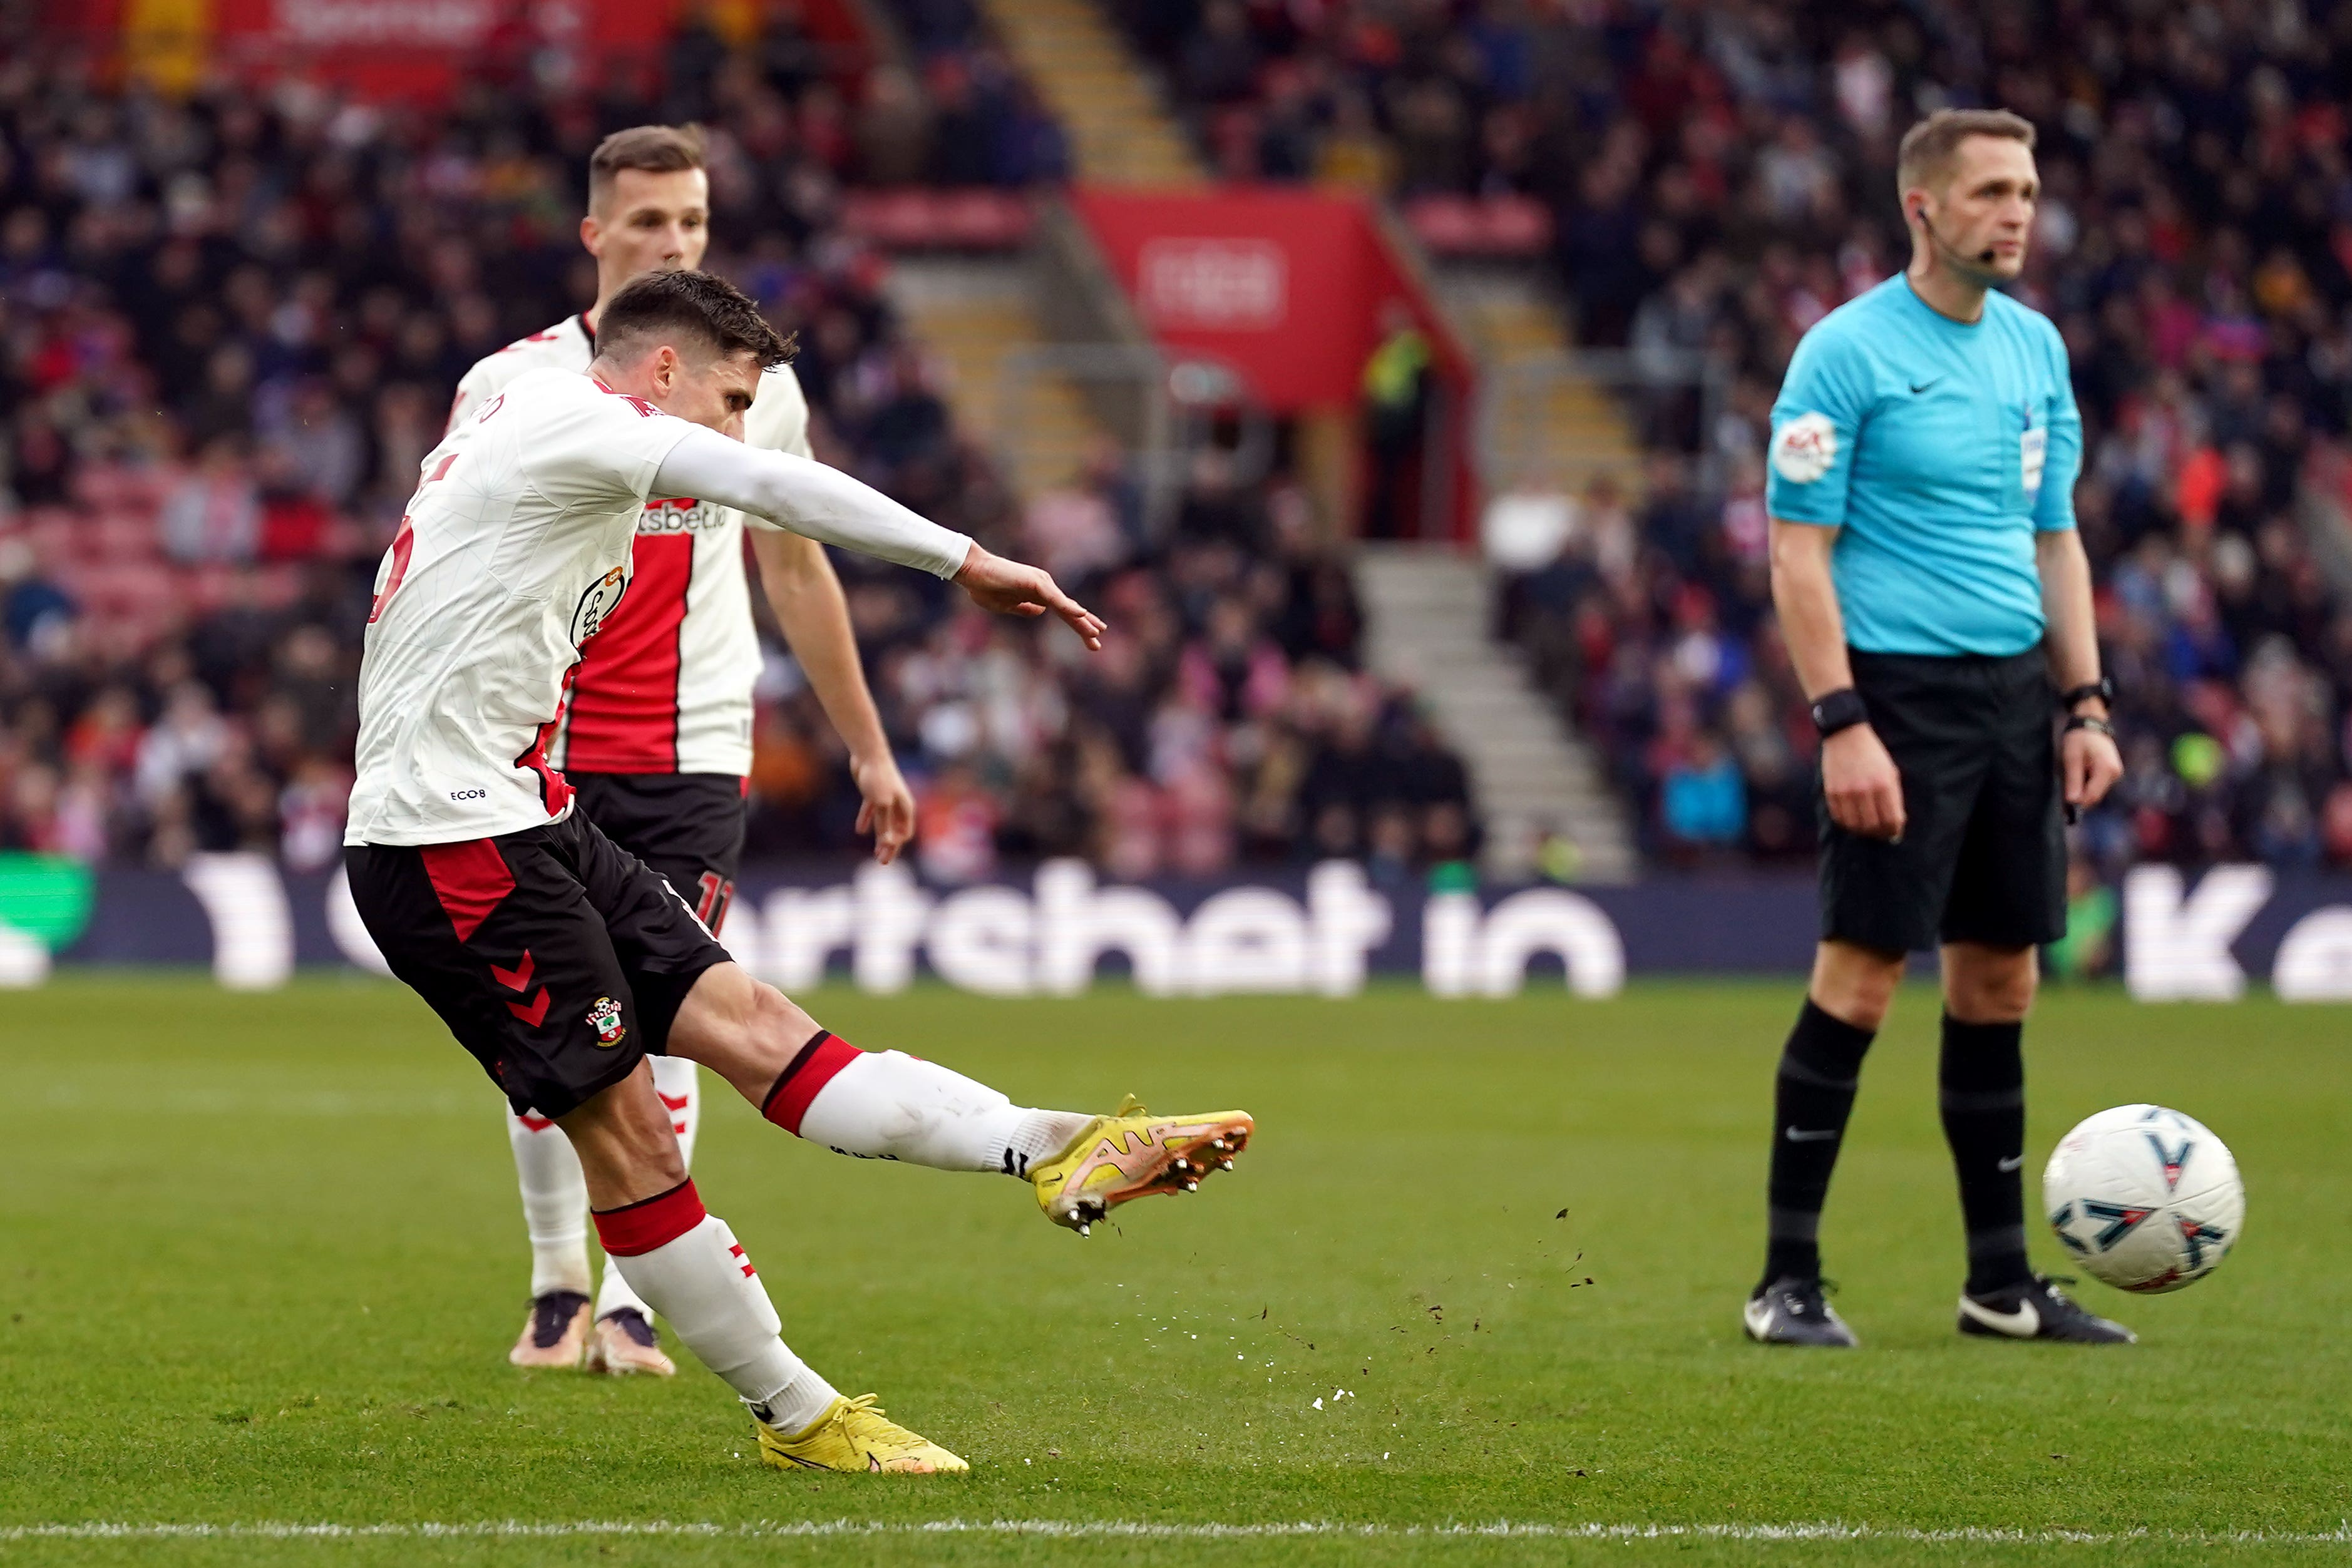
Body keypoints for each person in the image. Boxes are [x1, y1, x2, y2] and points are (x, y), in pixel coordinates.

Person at [346, 269, 1253, 1471]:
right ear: (662, 371)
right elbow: (770, 486)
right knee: (633, 1140)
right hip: (444, 842)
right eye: (728, 397)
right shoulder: (580, 420)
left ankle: (1058, 1143)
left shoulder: (526, 433)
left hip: (529, 811)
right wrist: (964, 560)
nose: (734, 425)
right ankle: (799, 1415)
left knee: (759, 1022)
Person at [446, 125, 922, 1378]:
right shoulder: (519, 380)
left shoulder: (752, 385)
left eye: (694, 225)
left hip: (691, 748)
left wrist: (867, 746)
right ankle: (555, 1281)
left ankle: (629, 1299)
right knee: (554, 1021)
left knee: (675, 1014)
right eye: (651, 223)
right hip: (533, 740)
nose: (675, 244)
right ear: (595, 233)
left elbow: (796, 560)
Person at [1745, 109, 2130, 1348]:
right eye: (1991, 192)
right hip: (1895, 698)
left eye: (2026, 189)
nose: (2018, 212)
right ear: (1923, 207)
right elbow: (1796, 555)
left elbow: (2052, 537)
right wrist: (1841, 721)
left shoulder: (2035, 350)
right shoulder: (1843, 354)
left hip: (2016, 693)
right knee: (1859, 978)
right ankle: (1785, 1279)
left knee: (2000, 979)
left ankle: (1998, 1283)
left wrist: (2083, 701)